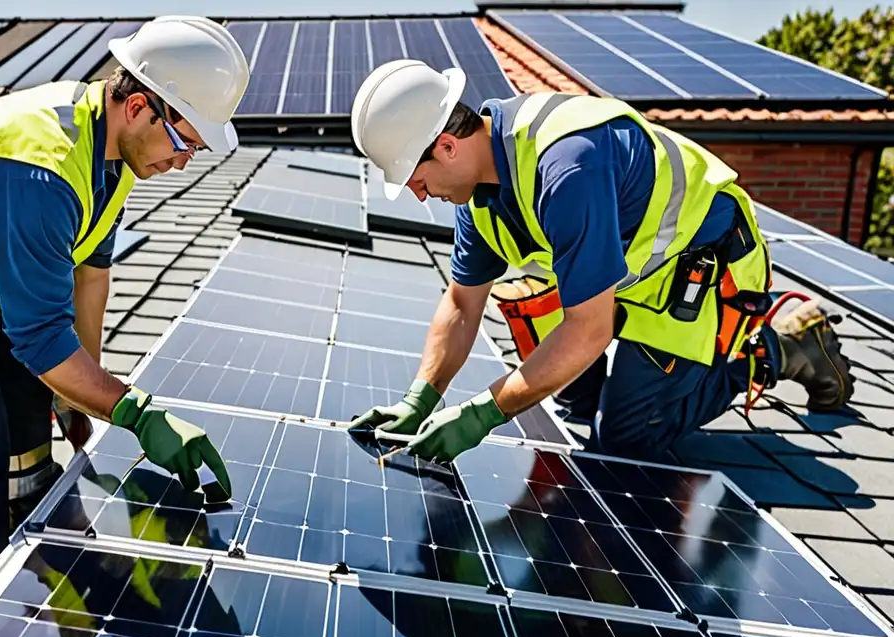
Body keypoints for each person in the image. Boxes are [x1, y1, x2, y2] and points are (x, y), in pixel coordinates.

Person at [0, 16, 248, 637]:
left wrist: (79, 396)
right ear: (138, 106)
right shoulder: (38, 163)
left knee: (30, 415)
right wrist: (137, 412)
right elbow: (43, 339)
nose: (185, 162)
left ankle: (32, 543)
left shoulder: (111, 157)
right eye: (184, 140)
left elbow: (88, 279)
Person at [348, 59, 853, 464]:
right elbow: (461, 304)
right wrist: (421, 397)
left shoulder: (567, 164)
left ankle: (778, 351)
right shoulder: (477, 194)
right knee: (571, 404)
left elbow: (587, 331)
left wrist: (483, 413)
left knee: (623, 438)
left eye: (416, 180)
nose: (419, 197)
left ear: (448, 146)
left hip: (694, 270)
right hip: (624, 281)